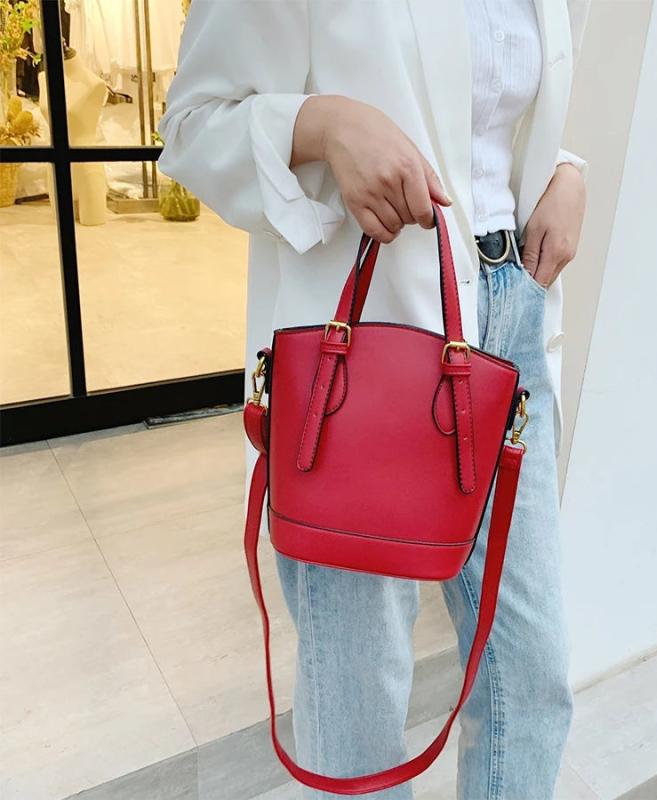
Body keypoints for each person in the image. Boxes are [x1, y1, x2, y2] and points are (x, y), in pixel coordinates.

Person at [157, 1, 590, 797]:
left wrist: (563, 170)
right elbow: (191, 127)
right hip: (363, 359)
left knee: (531, 680)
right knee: (357, 713)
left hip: (512, 322)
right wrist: (321, 125)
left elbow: (482, 117)